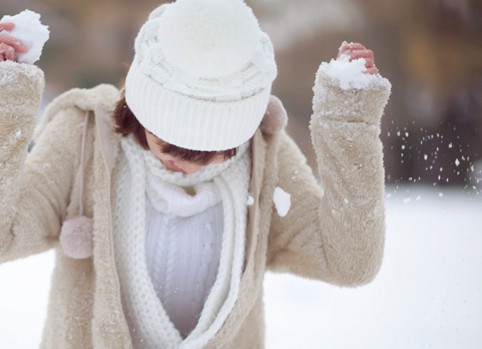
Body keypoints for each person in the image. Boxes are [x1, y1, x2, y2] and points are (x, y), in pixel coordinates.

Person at [0, 0, 391, 348]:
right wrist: (6, 102)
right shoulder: (83, 136)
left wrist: (349, 123)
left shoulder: (264, 157)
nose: (186, 162)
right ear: (141, 107)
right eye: (167, 140)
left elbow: (349, 262)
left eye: (212, 152)